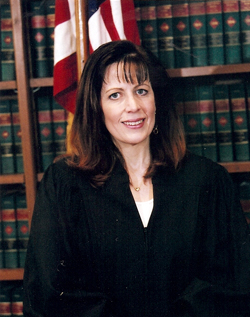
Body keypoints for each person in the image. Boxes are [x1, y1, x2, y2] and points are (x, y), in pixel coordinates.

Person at [23, 40, 250, 317]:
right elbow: (48, 294)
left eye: (141, 91)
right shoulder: (64, 185)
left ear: (158, 100)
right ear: (96, 106)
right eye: (115, 95)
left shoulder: (207, 181)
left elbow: (232, 285)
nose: (133, 106)